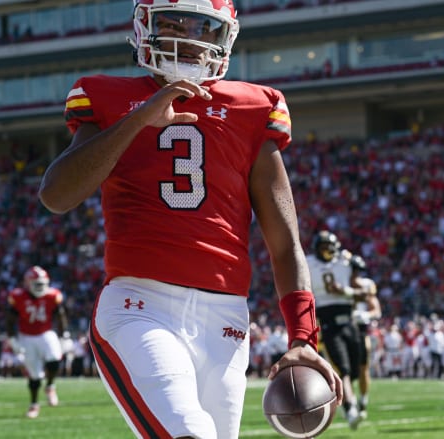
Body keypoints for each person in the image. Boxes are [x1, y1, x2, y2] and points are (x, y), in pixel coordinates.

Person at [38, 1, 342, 437]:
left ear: (225, 35)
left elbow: (284, 243)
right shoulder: (106, 96)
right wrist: (140, 118)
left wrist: (303, 338)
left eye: (202, 26)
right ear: (146, 28)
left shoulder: (254, 107)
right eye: (172, 23)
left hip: (226, 321)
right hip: (141, 308)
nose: (187, 36)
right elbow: (57, 195)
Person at [307, 230, 364, 430]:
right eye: (322, 248)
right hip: (328, 322)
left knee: (355, 370)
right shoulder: (308, 265)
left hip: (349, 322)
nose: (326, 251)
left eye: (328, 247)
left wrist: (345, 291)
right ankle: (351, 408)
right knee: (344, 369)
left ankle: (351, 402)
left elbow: (366, 293)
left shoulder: (347, 263)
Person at [6, 266, 68, 418]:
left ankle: (50, 386)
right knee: (34, 376)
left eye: (42, 284)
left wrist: (64, 334)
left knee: (54, 359)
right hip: (26, 336)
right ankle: (34, 404)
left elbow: (60, 315)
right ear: (28, 283)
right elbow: (10, 320)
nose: (40, 287)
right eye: (37, 284)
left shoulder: (52, 295)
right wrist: (12, 339)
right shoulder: (18, 296)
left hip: (45, 332)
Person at [350, 254, 381, 420]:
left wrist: (366, 315)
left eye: (357, 270)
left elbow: (376, 309)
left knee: (363, 367)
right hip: (342, 327)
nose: (355, 274)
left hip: (360, 329)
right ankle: (349, 401)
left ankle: (362, 400)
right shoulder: (339, 282)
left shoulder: (367, 285)